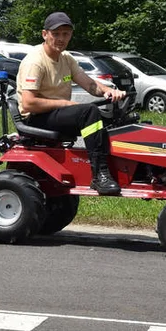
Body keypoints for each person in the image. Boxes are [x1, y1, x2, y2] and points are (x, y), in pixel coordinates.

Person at [16, 12, 126, 195]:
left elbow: (89, 84)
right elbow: (28, 104)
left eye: (65, 34)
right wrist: (64, 104)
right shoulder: (36, 61)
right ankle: (100, 175)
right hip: (36, 118)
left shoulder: (66, 58)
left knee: (113, 118)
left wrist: (109, 91)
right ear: (45, 34)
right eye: (56, 34)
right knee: (88, 113)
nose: (61, 39)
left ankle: (122, 170)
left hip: (55, 113)